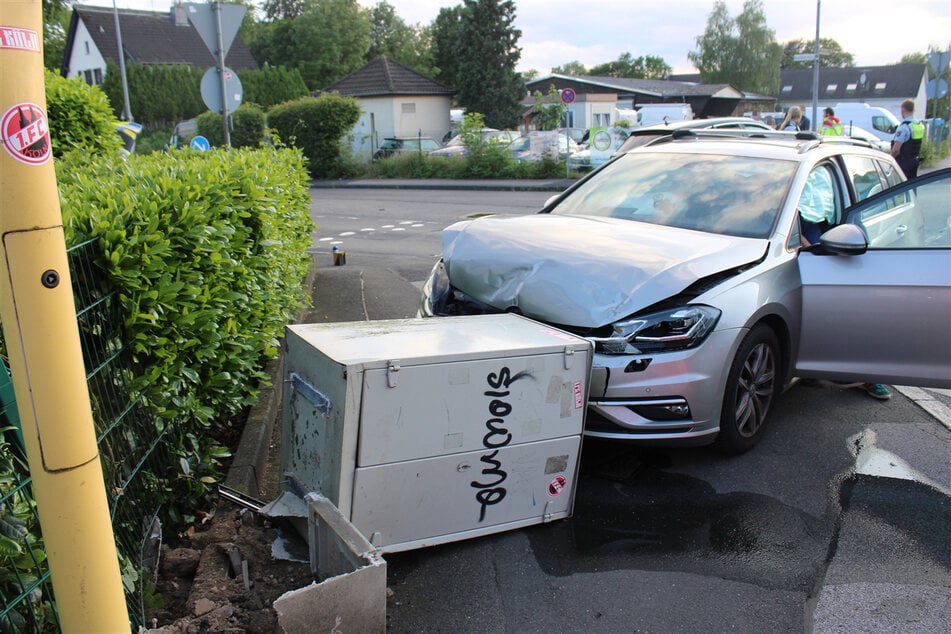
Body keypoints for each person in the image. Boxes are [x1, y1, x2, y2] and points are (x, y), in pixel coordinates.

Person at [890, 98, 924, 179]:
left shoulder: (904, 127)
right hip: (915, 161)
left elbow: (896, 150)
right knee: (912, 185)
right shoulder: (919, 125)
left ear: (903, 109)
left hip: (903, 163)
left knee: (901, 187)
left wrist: (890, 160)